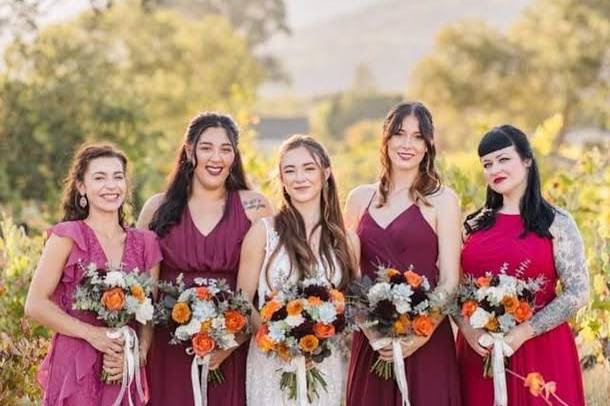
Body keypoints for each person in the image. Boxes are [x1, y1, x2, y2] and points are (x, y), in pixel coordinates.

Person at [138, 112, 272, 405]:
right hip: (169, 346)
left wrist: (229, 344)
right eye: (206, 147)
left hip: (229, 347)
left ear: (235, 156)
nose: (216, 157)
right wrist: (141, 349)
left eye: (225, 149)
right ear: (189, 151)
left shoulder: (254, 205)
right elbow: (144, 292)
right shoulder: (157, 208)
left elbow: (265, 288)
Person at [456, 124, 588, 405]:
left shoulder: (558, 222)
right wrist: (469, 330)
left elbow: (578, 292)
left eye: (503, 159)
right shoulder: (473, 225)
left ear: (527, 160)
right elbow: (454, 287)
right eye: (487, 164)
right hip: (479, 352)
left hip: (541, 350)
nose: (494, 170)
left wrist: (523, 332)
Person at [26, 143, 162, 405]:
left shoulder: (146, 242)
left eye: (117, 177)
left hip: (122, 365)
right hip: (76, 362)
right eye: (99, 177)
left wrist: (137, 356)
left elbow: (149, 313)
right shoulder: (67, 236)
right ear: (81, 187)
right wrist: (93, 334)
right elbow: (35, 304)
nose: (111, 186)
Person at [345, 102, 462, 405]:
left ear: (428, 145)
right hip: (373, 343)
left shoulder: (443, 200)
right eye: (399, 134)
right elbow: (350, 275)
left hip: (426, 341)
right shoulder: (359, 199)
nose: (407, 144)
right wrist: (373, 333)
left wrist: (418, 335)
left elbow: (450, 280)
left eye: (417, 136)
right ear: (386, 139)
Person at [238, 134, 359, 405]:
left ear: (325, 172)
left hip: (327, 365)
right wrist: (277, 342)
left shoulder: (347, 240)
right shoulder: (263, 233)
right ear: (281, 179)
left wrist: (321, 342)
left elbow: (352, 306)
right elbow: (243, 300)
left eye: (308, 168)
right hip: (271, 362)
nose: (299, 178)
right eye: (289, 171)